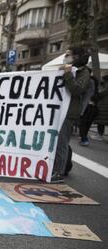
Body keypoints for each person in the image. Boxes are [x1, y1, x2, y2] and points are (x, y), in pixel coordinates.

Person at [52, 46, 91, 183]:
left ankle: (58, 172)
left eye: (68, 54)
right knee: (54, 140)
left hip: (69, 112)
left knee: (61, 142)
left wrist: (67, 73)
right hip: (58, 109)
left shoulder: (84, 72)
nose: (66, 57)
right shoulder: (67, 68)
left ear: (76, 57)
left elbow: (77, 89)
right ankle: (54, 166)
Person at [93, 74, 108, 141]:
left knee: (101, 121)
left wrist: (96, 94)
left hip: (103, 106)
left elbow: (101, 94)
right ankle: (99, 134)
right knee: (102, 121)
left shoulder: (106, 86)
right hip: (104, 105)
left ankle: (99, 135)